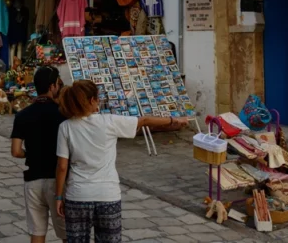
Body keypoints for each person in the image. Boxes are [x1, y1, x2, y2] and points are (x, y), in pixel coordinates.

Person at [54, 80, 188, 243]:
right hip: (107, 195)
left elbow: (62, 166)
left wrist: (59, 197)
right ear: (92, 101)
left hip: (78, 196)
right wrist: (174, 121)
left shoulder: (66, 127)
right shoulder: (109, 122)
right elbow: (144, 121)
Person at [11, 67, 67, 243]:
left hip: (33, 180)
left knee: (37, 232)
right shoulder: (63, 115)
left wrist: (32, 153)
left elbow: (16, 151)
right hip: (58, 182)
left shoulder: (22, 115)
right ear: (52, 86)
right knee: (67, 234)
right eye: (58, 83)